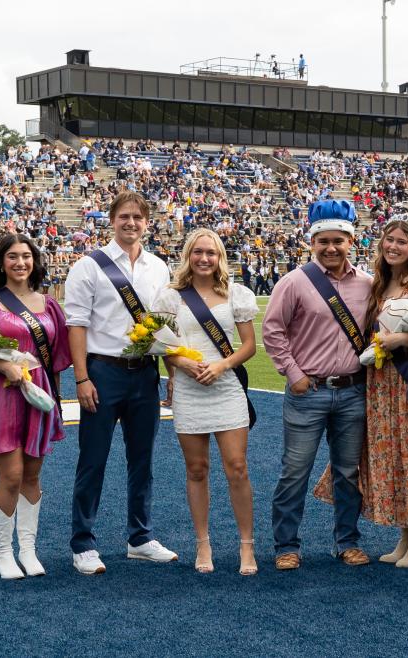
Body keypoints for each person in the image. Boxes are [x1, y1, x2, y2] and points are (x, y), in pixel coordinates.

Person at [317, 218, 408, 568]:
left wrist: (404, 340)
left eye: (401, 242)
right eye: (389, 240)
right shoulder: (380, 284)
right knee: (395, 457)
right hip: (380, 385)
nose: (393, 247)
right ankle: (406, 534)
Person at [64, 190, 177, 575]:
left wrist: (171, 375)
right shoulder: (88, 266)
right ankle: (82, 542)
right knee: (93, 459)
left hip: (144, 373)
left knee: (142, 460)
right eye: (124, 216)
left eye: (138, 217)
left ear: (148, 222)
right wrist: (81, 378)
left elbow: (165, 326)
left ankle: (140, 538)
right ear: (112, 220)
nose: (131, 223)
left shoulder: (159, 267)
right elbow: (76, 325)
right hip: (102, 372)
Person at [263, 200, 372, 570]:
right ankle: (286, 546)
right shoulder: (294, 282)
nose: (331, 248)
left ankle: (347, 542)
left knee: (347, 472)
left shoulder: (368, 285)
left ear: (350, 242)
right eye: (323, 241)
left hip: (354, 391)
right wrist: (293, 374)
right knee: (295, 471)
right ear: (313, 242)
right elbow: (273, 331)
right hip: (307, 392)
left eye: (338, 241)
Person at [0, 234, 72, 579]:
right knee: (12, 475)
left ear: (34, 262)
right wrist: (3, 366)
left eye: (26, 256)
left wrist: (57, 403)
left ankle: (29, 550)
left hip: (38, 394)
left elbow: (56, 360)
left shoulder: (49, 305)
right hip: (2, 395)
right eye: (12, 257)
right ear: (1, 263)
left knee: (33, 475)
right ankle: (3, 552)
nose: (20, 263)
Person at [153, 229, 258, 576]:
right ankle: (203, 543)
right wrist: (180, 364)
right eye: (198, 252)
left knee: (237, 468)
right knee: (196, 470)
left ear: (220, 257)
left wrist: (222, 365)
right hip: (189, 388)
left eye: (211, 253)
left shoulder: (236, 294)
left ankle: (246, 545)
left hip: (226, 387)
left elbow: (248, 347)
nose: (204, 259)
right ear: (188, 255)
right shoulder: (170, 297)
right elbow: (163, 344)